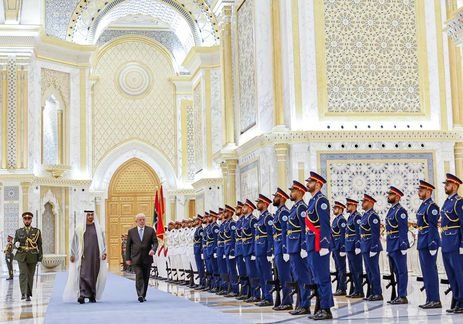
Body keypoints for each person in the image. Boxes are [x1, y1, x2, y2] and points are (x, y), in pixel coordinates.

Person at [305, 172, 334, 320]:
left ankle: (326, 309)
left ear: (317, 184)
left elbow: (324, 224)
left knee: (323, 277)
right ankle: (320, 307)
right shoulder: (312, 201)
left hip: (318, 244)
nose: (307, 184)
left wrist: (324, 244)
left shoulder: (321, 201)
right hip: (311, 243)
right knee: (316, 277)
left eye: (310, 181)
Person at [63, 210, 108, 304]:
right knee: (83, 274)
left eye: (92, 215)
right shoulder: (79, 228)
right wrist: (72, 254)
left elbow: (103, 242)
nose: (90, 216)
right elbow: (74, 242)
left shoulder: (98, 228)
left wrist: (104, 252)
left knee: (93, 275)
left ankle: (92, 295)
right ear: (85, 216)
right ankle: (82, 295)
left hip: (95, 256)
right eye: (88, 215)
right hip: (83, 256)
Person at [286, 180, 312, 315]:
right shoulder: (295, 208)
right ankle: (300, 304)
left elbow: (304, 228)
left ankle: (305, 305)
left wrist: (303, 246)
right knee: (297, 277)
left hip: (298, 247)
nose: (291, 193)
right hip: (292, 246)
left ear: (300, 192)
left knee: (303, 277)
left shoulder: (302, 208)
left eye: (293, 191)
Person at [416, 180, 441, 309]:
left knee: (431, 271)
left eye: (421, 191)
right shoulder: (423, 206)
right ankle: (429, 298)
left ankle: (435, 299)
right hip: (422, 240)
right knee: (426, 271)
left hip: (428, 241)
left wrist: (432, 243)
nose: (419, 193)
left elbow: (432, 226)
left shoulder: (432, 207)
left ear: (428, 191)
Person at [440, 173, 463, 313]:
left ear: (455, 186)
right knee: (451, 274)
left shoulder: (459, 202)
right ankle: (456, 300)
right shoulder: (447, 202)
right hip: (446, 242)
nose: (445, 187)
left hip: (455, 242)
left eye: (447, 184)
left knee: (460, 273)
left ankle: (462, 302)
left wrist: (462, 244)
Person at [125, 213, 158, 302]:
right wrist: (127, 258)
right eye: (140, 220)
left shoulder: (150, 230)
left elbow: (155, 242)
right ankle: (140, 294)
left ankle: (143, 295)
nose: (142, 221)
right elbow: (128, 246)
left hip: (147, 258)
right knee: (139, 275)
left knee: (146, 277)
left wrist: (153, 250)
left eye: (143, 219)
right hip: (136, 258)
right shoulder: (131, 232)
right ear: (136, 221)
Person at [385, 186, 409, 305]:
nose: (388, 196)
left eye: (390, 194)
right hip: (391, 244)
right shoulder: (391, 210)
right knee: (395, 271)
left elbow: (403, 229)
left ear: (397, 197)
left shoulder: (401, 211)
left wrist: (404, 244)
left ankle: (403, 295)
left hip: (398, 245)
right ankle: (398, 295)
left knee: (401, 271)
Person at [271, 188, 293, 310]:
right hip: (277, 247)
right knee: (280, 276)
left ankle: (287, 301)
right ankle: (284, 300)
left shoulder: (284, 212)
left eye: (276, 197)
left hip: (282, 247)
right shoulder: (279, 212)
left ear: (282, 198)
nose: (274, 199)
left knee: (285, 276)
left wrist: (285, 249)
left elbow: (285, 232)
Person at [14, 211, 43, 301]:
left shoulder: (36, 231)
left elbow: (39, 245)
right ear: (23, 220)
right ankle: (23, 293)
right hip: (21, 255)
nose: (27, 221)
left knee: (30, 275)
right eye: (25, 219)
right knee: (23, 274)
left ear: (31, 220)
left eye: (29, 219)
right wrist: (16, 244)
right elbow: (15, 243)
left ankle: (28, 294)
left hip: (32, 255)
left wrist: (40, 257)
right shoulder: (18, 231)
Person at [359, 194, 383, 301]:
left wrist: (374, 247)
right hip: (365, 245)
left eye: (364, 201)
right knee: (368, 271)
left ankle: (377, 293)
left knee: (374, 270)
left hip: (371, 245)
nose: (362, 203)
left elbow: (375, 233)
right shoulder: (365, 215)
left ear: (370, 203)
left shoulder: (373, 216)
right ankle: (372, 292)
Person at [254, 194, 274, 307]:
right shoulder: (260, 218)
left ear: (265, 204)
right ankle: (264, 296)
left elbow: (270, 235)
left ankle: (268, 297)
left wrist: (269, 251)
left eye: (260, 202)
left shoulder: (268, 218)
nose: (258, 204)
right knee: (260, 274)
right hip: (258, 250)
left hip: (264, 250)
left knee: (266, 275)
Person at [344, 198, 364, 298]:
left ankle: (359, 290)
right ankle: (355, 289)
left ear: (354, 206)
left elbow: (358, 232)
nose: (347, 207)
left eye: (349, 205)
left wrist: (357, 245)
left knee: (357, 269)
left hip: (354, 246)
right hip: (349, 246)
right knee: (352, 270)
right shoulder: (350, 217)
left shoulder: (357, 217)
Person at [331, 201, 347, 296]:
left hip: (339, 246)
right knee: (338, 268)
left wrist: (342, 248)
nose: (334, 210)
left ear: (340, 209)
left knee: (341, 268)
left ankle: (342, 288)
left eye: (336, 208)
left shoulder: (341, 220)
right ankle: (339, 287)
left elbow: (342, 235)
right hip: (334, 246)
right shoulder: (335, 219)